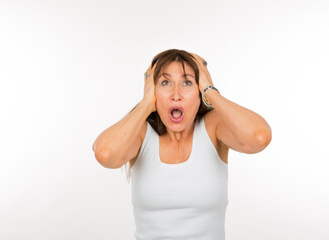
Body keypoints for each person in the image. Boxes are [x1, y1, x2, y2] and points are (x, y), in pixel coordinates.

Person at [92, 49, 272, 239]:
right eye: (165, 82)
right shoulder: (142, 133)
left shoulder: (213, 127)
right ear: (153, 91)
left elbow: (259, 138)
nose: (175, 95)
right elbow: (105, 154)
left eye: (187, 82)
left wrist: (210, 91)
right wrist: (146, 103)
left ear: (199, 90)